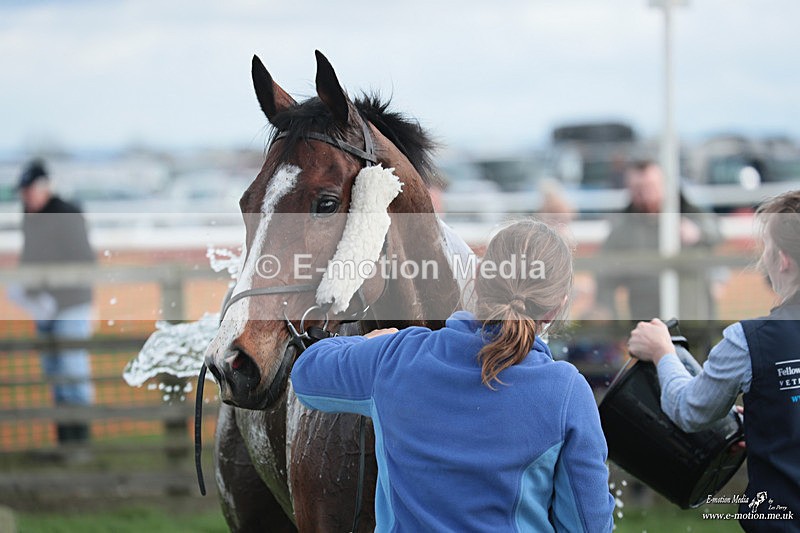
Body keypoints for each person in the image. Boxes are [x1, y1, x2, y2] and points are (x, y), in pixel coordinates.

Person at [291, 220, 615, 532]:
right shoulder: (568, 393)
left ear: (476, 277)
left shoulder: (396, 358)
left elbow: (307, 374)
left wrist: (366, 343)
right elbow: (588, 525)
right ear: (556, 307)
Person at [627, 190, 800, 532]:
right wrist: (763, 416)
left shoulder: (749, 341)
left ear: (782, 260)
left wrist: (663, 352)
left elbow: (690, 409)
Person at [13, 159, 96, 447]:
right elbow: (30, 257)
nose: (26, 197)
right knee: (55, 372)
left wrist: (47, 289)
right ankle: (66, 441)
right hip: (44, 305)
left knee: (72, 370)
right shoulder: (30, 215)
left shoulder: (66, 213)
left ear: (43, 187)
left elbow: (84, 262)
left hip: (69, 304)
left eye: (29, 191)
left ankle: (79, 444)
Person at [596, 159, 722, 320]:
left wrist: (697, 232)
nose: (644, 195)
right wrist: (612, 323)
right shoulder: (623, 228)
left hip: (692, 316)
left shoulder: (688, 212)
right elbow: (605, 276)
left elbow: (716, 231)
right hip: (646, 317)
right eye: (637, 189)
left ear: (664, 185)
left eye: (650, 187)